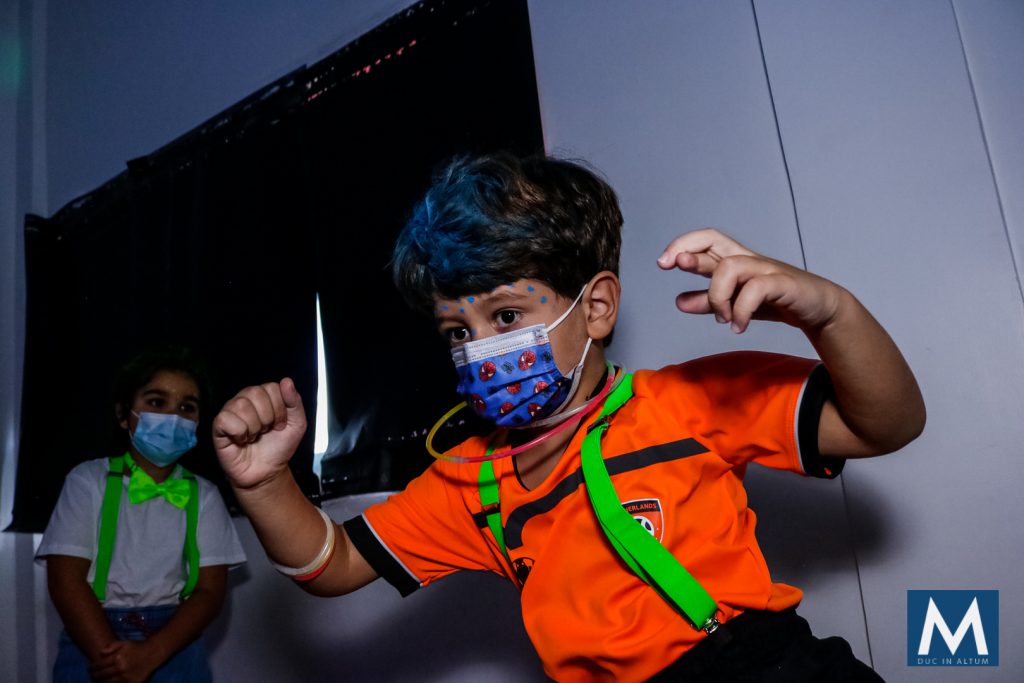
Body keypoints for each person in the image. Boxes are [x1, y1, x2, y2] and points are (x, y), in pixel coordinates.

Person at [213, 153, 925, 682]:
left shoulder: (685, 401)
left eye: (506, 315)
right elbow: (333, 563)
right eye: (458, 331)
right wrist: (265, 482)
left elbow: (885, 425)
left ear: (597, 307)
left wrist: (831, 312)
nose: (479, 348)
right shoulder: (470, 481)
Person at [37, 345, 246, 682]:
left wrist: (150, 654)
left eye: (187, 407)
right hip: (93, 638)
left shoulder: (205, 495)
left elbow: (209, 593)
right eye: (156, 402)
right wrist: (115, 660)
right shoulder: (87, 481)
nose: (173, 417)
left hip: (173, 642)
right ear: (124, 415)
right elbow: (65, 581)